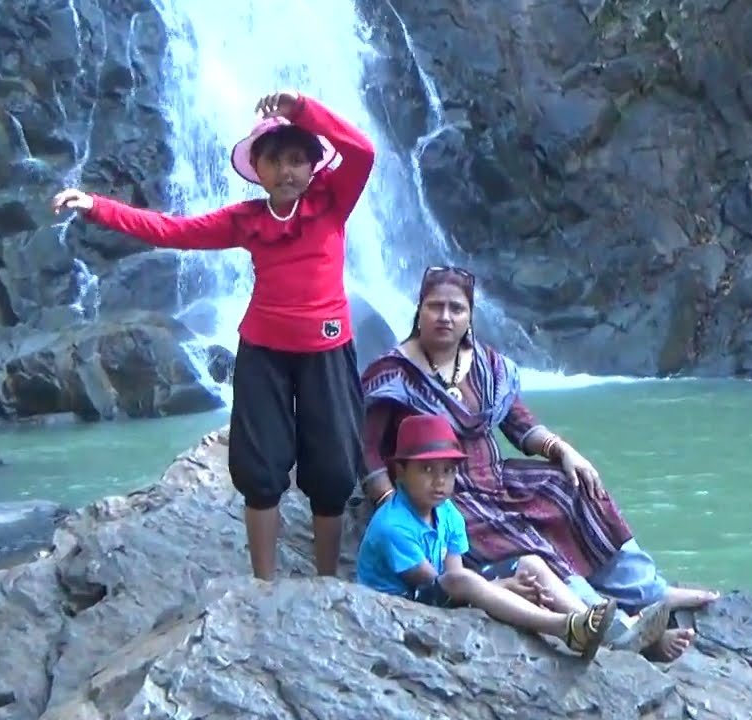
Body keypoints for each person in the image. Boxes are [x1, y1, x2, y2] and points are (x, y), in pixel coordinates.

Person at [52, 89, 374, 581]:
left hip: (326, 350)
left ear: (312, 167)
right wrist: (96, 205)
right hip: (264, 350)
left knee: (332, 470)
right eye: (274, 161)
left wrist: (302, 109)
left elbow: (363, 151)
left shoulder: (333, 202)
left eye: (296, 160)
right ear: (257, 170)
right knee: (259, 469)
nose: (286, 171)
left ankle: (327, 583)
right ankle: (263, 584)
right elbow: (170, 231)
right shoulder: (246, 220)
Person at [360, 266, 718, 662]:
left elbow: (520, 425)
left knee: (573, 488)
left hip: (497, 476)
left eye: (456, 309)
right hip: (448, 491)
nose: (445, 316)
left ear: (469, 316)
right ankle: (605, 620)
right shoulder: (392, 372)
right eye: (435, 307)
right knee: (521, 538)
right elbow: (371, 450)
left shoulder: (486, 365)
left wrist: (565, 452)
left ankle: (645, 589)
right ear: (420, 310)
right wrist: (396, 502)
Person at [357, 414, 634, 661]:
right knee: (465, 580)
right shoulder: (393, 526)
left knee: (531, 563)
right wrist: (503, 587)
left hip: (445, 588)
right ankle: (564, 627)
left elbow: (453, 572)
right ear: (401, 472)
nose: (439, 481)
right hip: (399, 605)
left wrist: (503, 585)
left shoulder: (448, 512)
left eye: (448, 471)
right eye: (427, 470)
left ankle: (597, 630)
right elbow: (438, 583)